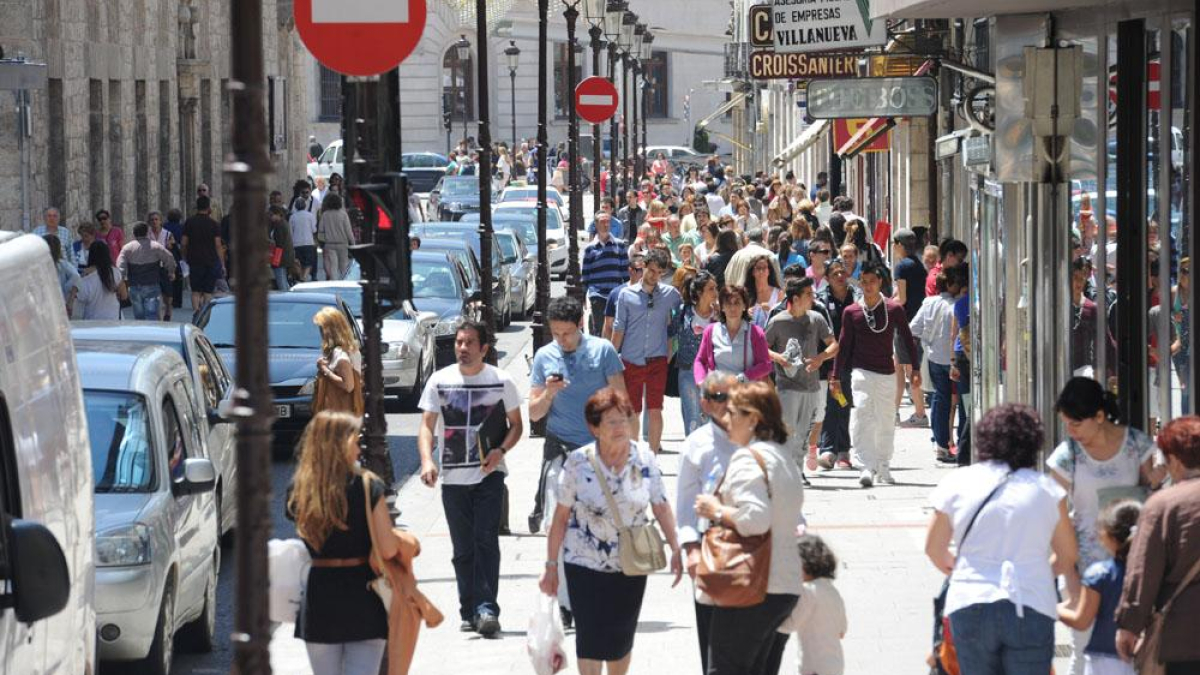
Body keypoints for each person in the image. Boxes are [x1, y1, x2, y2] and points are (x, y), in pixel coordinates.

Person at [925, 403, 1078, 675]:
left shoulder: (957, 482)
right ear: (1034, 443)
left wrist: (962, 568)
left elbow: (934, 549)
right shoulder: (1047, 490)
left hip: (970, 600)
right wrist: (1039, 572)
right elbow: (1067, 555)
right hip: (1030, 602)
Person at [539, 388, 683, 675]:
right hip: (583, 563)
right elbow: (560, 518)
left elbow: (661, 506)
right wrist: (551, 566)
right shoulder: (578, 462)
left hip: (629, 564)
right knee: (589, 639)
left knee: (620, 640)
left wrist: (677, 548)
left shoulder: (644, 459)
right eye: (611, 422)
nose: (620, 428)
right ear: (594, 428)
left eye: (624, 420)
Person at [1047, 377, 1163, 675]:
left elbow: (1155, 485)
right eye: (1066, 424)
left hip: (1133, 566)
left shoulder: (1137, 444)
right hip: (1083, 563)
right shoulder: (1067, 455)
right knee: (1083, 650)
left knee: (1133, 652)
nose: (1070, 432)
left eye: (1076, 423)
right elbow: (1055, 521)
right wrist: (1070, 580)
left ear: (1099, 416)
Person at [417, 320, 523, 636]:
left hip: (489, 476)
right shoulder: (439, 380)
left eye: (469, 343)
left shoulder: (502, 381)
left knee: (486, 541)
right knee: (464, 549)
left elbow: (517, 425)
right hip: (453, 480)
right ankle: (469, 608)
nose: (462, 348)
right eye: (459, 343)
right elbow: (426, 425)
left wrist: (500, 451)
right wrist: (426, 460)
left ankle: (487, 609)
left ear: (484, 348)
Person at [693, 381, 806, 675]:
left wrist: (716, 509)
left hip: (755, 584)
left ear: (753, 419)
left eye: (733, 414)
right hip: (784, 585)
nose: (725, 420)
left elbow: (756, 519)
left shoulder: (748, 458)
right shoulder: (783, 458)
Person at [287, 411, 397, 675]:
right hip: (363, 594)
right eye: (355, 440)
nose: (359, 447)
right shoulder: (368, 485)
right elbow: (388, 549)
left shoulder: (300, 489)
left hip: (319, 596)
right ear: (340, 443)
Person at [528, 296, 626, 541]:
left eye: (567, 333)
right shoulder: (544, 356)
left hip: (599, 452)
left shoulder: (603, 351)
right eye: (556, 333)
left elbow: (622, 403)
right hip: (559, 450)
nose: (562, 340)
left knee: (598, 528)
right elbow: (534, 412)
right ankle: (558, 576)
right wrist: (549, 394)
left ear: (581, 323)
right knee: (554, 526)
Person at [1115, 416, 1200, 673]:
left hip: (1183, 636)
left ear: (1174, 460)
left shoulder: (1163, 505)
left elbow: (1143, 571)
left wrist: (1129, 625)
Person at [830, 261, 919, 488]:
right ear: (860, 283)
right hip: (860, 371)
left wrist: (915, 368)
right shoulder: (852, 312)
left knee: (886, 419)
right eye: (864, 282)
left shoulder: (894, 309)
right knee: (862, 413)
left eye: (873, 281)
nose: (868, 286)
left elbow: (908, 338)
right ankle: (865, 466)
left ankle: (883, 464)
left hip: (887, 373)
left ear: (880, 282)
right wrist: (835, 375)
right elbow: (844, 343)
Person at [675, 371, 738, 673]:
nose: (728, 404)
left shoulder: (757, 437)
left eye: (733, 396)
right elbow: (685, 506)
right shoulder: (695, 445)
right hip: (711, 546)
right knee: (712, 636)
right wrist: (690, 549)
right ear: (704, 403)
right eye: (719, 398)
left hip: (753, 543)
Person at [1057, 500, 1143, 675]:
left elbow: (1081, 621)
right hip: (1145, 658)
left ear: (1109, 536)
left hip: (1105, 663)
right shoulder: (1154, 571)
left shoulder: (1099, 574)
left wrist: (1052, 608)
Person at [766, 278, 838, 481]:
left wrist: (820, 358)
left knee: (804, 433)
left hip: (812, 386)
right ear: (795, 298)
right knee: (788, 431)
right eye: (808, 294)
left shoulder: (816, 318)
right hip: (787, 387)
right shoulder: (778, 321)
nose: (812, 297)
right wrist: (778, 357)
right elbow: (761, 346)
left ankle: (797, 471)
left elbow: (834, 345)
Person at [612, 249, 681, 454]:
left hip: (657, 360)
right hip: (631, 360)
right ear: (643, 267)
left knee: (655, 409)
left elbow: (681, 320)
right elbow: (618, 328)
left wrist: (670, 351)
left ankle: (652, 458)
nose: (654, 275)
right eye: (651, 270)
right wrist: (609, 358)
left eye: (659, 272)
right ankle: (634, 456)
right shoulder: (626, 295)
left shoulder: (670, 295)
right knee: (632, 411)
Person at [910, 267, 963, 464]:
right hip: (950, 360)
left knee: (938, 401)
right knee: (945, 403)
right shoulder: (955, 306)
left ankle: (940, 443)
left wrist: (926, 342)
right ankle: (942, 444)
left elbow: (913, 328)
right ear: (949, 285)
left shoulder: (928, 303)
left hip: (932, 358)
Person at [775, 534, 847, 675]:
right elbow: (842, 631)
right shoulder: (833, 591)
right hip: (835, 664)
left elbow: (790, 625)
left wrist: (768, 623)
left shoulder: (808, 592)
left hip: (814, 666)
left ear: (804, 564)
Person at [816, 258, 859, 471]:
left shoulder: (857, 297)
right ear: (827, 279)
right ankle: (829, 449)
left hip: (851, 360)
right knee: (830, 405)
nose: (840, 277)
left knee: (842, 402)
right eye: (835, 274)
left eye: (843, 272)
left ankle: (840, 450)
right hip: (828, 361)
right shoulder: (821, 301)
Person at [694, 285, 773, 386]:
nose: (732, 308)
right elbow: (700, 360)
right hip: (719, 393)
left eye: (737, 303)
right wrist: (701, 380)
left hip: (744, 394)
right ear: (722, 307)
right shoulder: (710, 331)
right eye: (728, 303)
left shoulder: (756, 332)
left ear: (744, 306)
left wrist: (742, 378)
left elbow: (765, 365)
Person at [673, 272, 720, 435]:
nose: (715, 292)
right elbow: (671, 333)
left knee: (710, 419)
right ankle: (692, 456)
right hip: (687, 371)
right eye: (711, 289)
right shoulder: (683, 311)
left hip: (712, 374)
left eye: (716, 288)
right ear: (700, 292)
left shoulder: (720, 315)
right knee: (692, 418)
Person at [891, 228, 929, 427]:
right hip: (914, 323)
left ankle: (921, 414)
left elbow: (902, 298)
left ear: (899, 244)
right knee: (898, 368)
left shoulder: (901, 267)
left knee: (908, 370)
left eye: (893, 243)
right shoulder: (918, 265)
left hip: (905, 323)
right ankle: (893, 412)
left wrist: (885, 305)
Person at [116, 221, 177, 321]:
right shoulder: (155, 246)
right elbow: (169, 259)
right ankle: (152, 334)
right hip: (152, 284)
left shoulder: (127, 248)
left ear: (134, 233)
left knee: (139, 316)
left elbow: (120, 267)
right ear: (147, 232)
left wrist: (121, 282)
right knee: (152, 315)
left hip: (135, 286)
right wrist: (171, 272)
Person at [582, 212, 629, 336]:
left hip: (615, 294)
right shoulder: (590, 248)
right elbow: (585, 274)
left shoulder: (619, 245)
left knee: (615, 327)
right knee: (600, 327)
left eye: (608, 222)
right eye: (602, 222)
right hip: (597, 294)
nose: (606, 225)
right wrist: (583, 295)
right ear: (596, 225)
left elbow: (625, 272)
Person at [312, 307, 364, 417]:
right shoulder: (349, 349)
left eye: (322, 329)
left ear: (330, 330)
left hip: (340, 413)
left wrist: (324, 369)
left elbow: (348, 385)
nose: (321, 333)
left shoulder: (340, 353)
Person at [181, 196, 224, 318]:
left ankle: (196, 313)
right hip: (211, 261)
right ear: (209, 208)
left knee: (195, 290)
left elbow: (184, 243)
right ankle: (205, 314)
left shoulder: (189, 222)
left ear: (196, 207)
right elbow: (218, 245)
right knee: (208, 291)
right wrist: (222, 263)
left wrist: (184, 257)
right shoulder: (214, 224)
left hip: (194, 261)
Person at [76, 241, 126, 320]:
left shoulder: (86, 274)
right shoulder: (115, 272)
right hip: (114, 318)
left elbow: (81, 298)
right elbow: (124, 296)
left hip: (92, 320)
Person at [319, 193, 355, 281]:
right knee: (344, 268)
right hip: (343, 245)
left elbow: (320, 229)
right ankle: (344, 286)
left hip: (330, 245)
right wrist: (353, 243)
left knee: (333, 269)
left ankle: (334, 287)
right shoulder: (343, 214)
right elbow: (348, 231)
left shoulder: (325, 215)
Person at [43, 234, 80, 318]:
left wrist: (69, 296)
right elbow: (76, 277)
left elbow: (76, 277)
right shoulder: (62, 264)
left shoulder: (62, 265)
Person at [745, 254, 784, 331]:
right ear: (753, 272)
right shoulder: (746, 293)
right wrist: (745, 313)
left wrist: (771, 311)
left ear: (769, 271)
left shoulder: (779, 293)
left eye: (764, 268)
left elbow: (783, 318)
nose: (761, 271)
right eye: (758, 268)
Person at [291, 197, 319, 282]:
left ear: (295, 206)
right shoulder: (310, 216)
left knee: (298, 263)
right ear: (305, 205)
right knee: (309, 263)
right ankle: (304, 276)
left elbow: (290, 231)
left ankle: (301, 276)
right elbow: (314, 230)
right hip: (308, 242)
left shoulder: (292, 217)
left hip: (296, 243)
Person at [268, 206, 296, 291]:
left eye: (271, 215)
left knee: (281, 281)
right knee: (283, 280)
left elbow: (279, 244)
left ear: (278, 214)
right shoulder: (282, 223)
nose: (270, 217)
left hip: (280, 256)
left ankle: (285, 297)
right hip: (284, 255)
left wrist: (270, 243)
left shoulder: (279, 225)